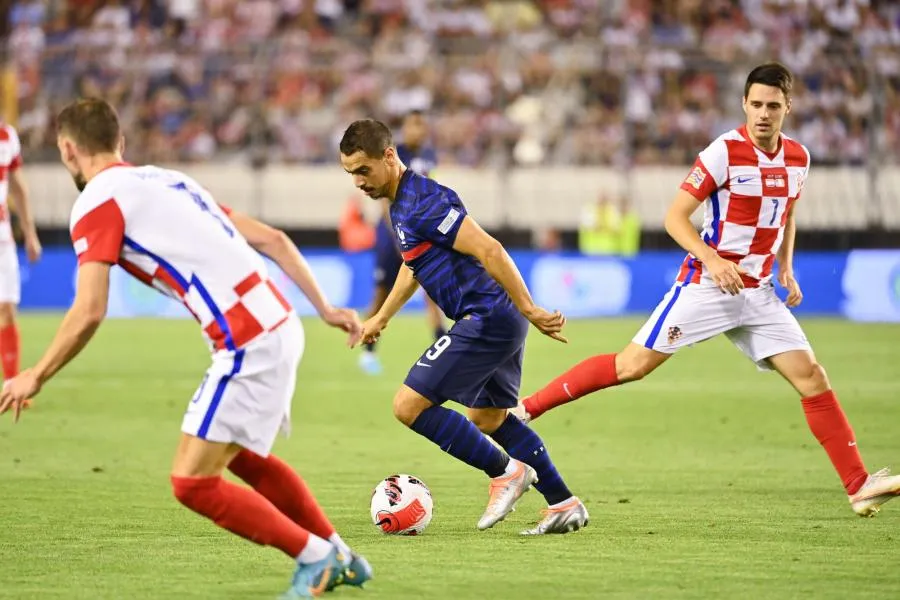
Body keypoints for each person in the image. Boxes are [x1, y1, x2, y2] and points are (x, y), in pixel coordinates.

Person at [0, 98, 373, 598]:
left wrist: (35, 374)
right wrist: (325, 308)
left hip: (247, 339)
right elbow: (275, 238)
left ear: (68, 150)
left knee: (192, 483)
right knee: (240, 458)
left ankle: (319, 558)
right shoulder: (170, 180)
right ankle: (340, 554)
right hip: (278, 323)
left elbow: (89, 308)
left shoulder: (95, 202)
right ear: (121, 143)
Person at [512, 62, 900, 518]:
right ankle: (526, 410)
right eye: (755, 104)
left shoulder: (798, 158)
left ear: (788, 108)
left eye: (772, 106)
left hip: (758, 295)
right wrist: (713, 260)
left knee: (812, 377)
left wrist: (786, 268)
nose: (763, 114)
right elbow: (675, 217)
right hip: (707, 286)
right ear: (743, 104)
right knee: (632, 366)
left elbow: (787, 214)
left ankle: (858, 485)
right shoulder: (723, 153)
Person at [339, 119, 589, 535]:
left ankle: (507, 473)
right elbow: (415, 265)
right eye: (350, 174)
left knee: (408, 405)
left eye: (363, 170)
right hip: (495, 317)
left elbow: (489, 248)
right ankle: (563, 502)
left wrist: (529, 307)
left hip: (486, 315)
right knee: (489, 417)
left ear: (388, 156)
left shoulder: (424, 200)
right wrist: (381, 317)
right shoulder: (399, 205)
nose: (357, 182)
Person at [359, 110, 447, 375]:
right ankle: (367, 351)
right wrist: (398, 233)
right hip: (391, 234)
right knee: (381, 294)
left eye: (421, 126)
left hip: (418, 231)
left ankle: (442, 347)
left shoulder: (429, 155)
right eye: (412, 126)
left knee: (432, 291)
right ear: (404, 129)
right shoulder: (395, 155)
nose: (417, 131)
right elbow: (386, 198)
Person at [0, 120, 42, 404]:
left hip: (2, 236)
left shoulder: (7, 136)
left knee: (6, 306)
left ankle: (11, 385)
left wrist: (30, 234)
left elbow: (18, 188)